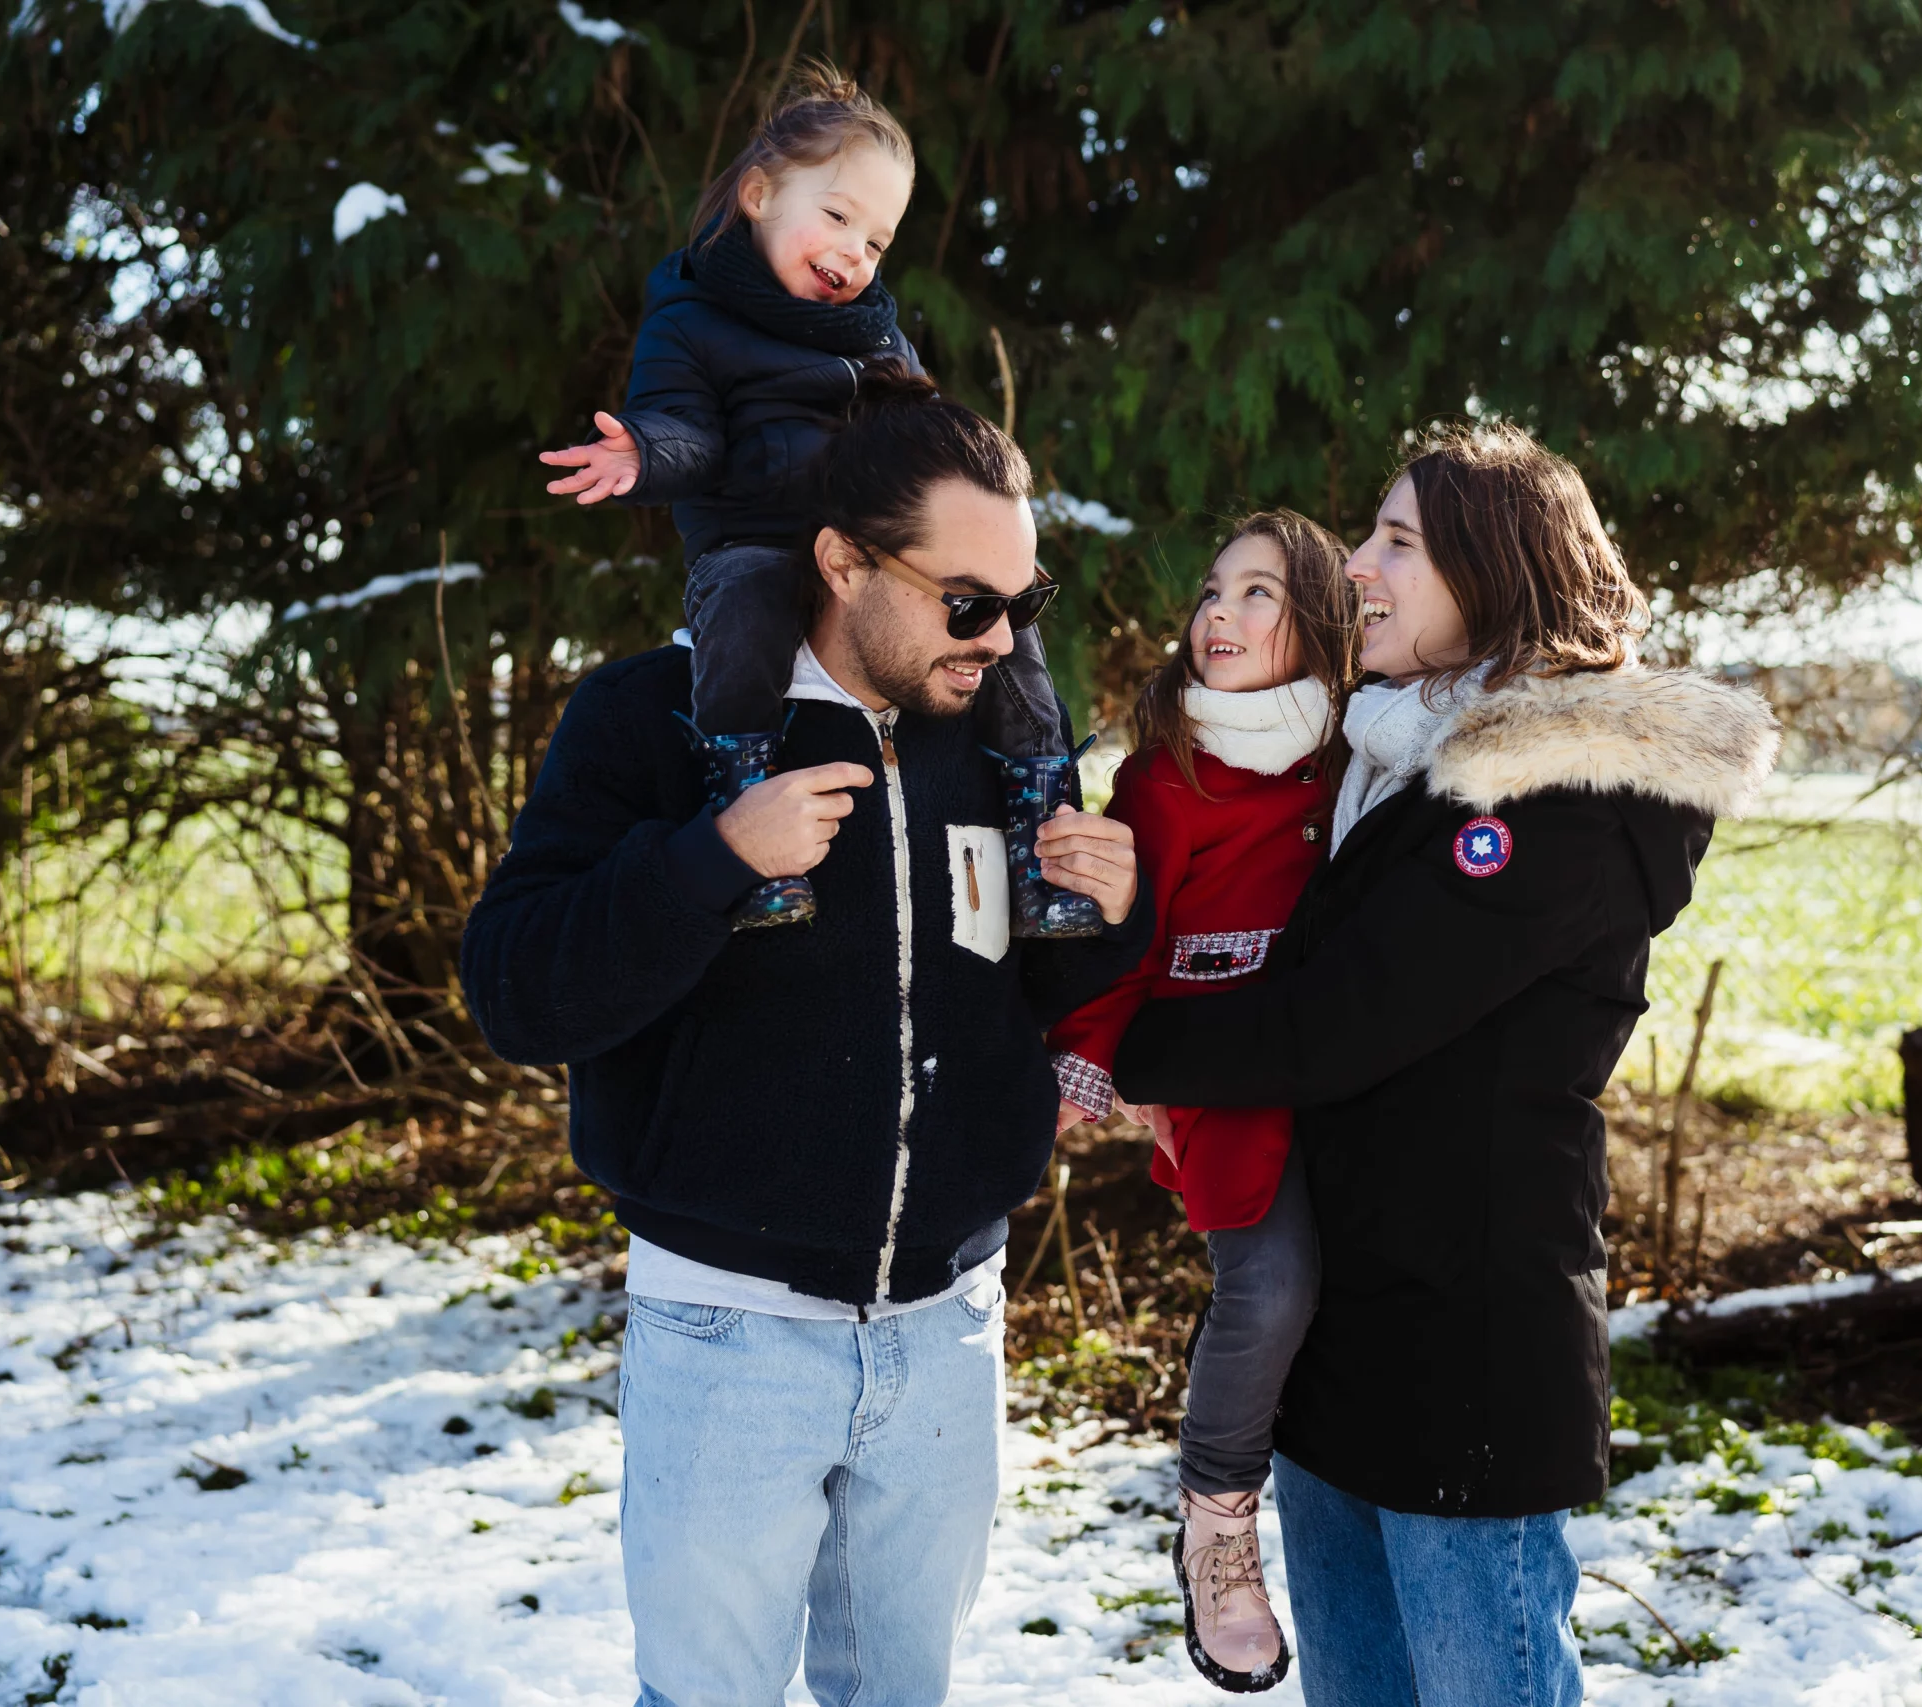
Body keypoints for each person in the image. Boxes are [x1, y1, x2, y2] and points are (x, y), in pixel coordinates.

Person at [463, 372, 1148, 1707]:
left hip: (948, 1326)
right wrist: (712, 859)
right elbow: (514, 991)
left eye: (1026, 602)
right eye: (969, 602)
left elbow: (1046, 997)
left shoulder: (1005, 745)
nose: (1003, 641)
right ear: (841, 561)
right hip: (727, 1331)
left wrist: (1116, 919)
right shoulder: (656, 724)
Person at [1113, 423, 1778, 1707]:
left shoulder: (1552, 805)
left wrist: (1125, 1048)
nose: (1355, 567)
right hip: (1347, 1346)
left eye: (1398, 543)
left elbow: (1337, 1020)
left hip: (1462, 1360)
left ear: (1497, 569)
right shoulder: (1392, 764)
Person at [537, 63, 1072, 934]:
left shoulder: (875, 334)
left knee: (1002, 612)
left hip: (871, 552)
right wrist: (647, 449)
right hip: (752, 541)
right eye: (837, 217)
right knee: (749, 604)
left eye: (877, 242)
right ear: (758, 194)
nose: (854, 254)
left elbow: (919, 434)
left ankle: (1040, 817)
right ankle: (744, 795)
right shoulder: (691, 318)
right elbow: (689, 429)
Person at [1042, 510, 1356, 1693]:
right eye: (1212, 592)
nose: (1217, 614)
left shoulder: (1357, 767)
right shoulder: (1163, 779)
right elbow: (1119, 944)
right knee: (1268, 1282)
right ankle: (1218, 1526)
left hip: (1336, 1069)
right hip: (1213, 1079)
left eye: (1259, 594)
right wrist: (1103, 1062)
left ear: (1321, 620)